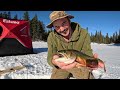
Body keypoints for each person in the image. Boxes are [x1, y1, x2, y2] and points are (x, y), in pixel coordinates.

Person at [47, 11, 102, 79]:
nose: (62, 29)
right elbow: (50, 55)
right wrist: (54, 61)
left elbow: (87, 51)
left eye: (64, 23)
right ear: (53, 27)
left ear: (69, 21)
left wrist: (90, 62)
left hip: (79, 64)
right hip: (61, 66)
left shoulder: (83, 33)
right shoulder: (51, 37)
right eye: (57, 26)